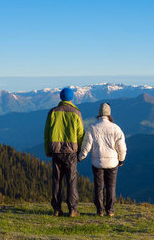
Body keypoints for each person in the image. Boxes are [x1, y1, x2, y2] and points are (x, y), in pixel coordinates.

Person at [78, 103, 127, 217]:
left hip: (97, 162)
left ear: (99, 113)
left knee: (98, 187)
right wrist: (121, 160)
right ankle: (110, 210)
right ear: (109, 114)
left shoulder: (92, 128)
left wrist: (80, 157)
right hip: (112, 162)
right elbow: (121, 147)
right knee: (111, 187)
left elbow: (87, 146)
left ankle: (100, 210)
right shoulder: (116, 128)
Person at [44, 87, 84, 217]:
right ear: (71, 98)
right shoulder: (76, 113)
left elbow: (47, 133)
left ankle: (57, 209)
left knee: (56, 180)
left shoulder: (53, 112)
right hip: (71, 151)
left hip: (55, 151)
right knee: (71, 180)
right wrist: (80, 152)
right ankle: (72, 209)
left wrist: (48, 150)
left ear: (60, 98)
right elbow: (80, 134)